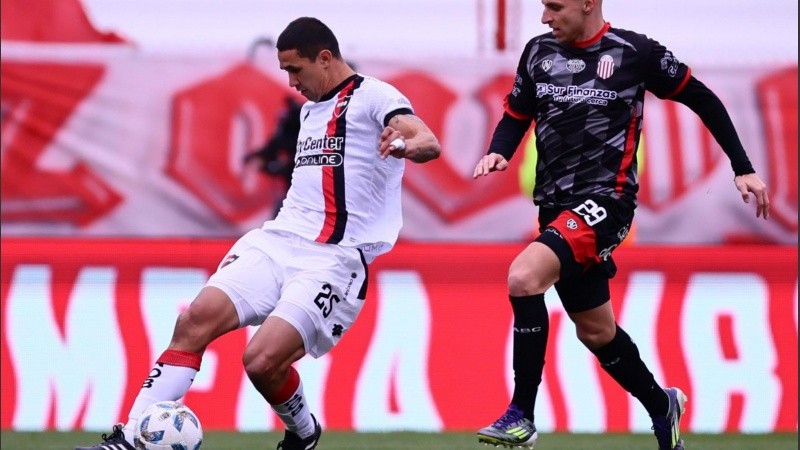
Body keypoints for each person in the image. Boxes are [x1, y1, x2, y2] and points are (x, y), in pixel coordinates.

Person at [76, 16, 440, 450]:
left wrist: (402, 144)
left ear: (325, 59)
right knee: (193, 321)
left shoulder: (374, 95)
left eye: (295, 69)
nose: (291, 82)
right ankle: (133, 436)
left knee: (262, 361)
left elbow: (427, 140)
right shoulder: (309, 111)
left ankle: (303, 433)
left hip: (334, 258)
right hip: (279, 241)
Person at [472, 1, 770, 449]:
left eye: (554, 6)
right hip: (554, 208)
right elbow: (518, 113)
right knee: (596, 331)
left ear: (588, 3)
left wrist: (742, 167)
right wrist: (500, 150)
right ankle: (661, 404)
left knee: (523, 277)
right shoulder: (537, 52)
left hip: (607, 202)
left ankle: (522, 415)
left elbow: (702, 98)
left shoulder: (635, 52)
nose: (545, 17)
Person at [244, 95, 302, 218]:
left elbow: (276, 147)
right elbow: (272, 148)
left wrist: (275, 167)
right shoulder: (285, 137)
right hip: (290, 187)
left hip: (302, 193)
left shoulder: (300, 137)